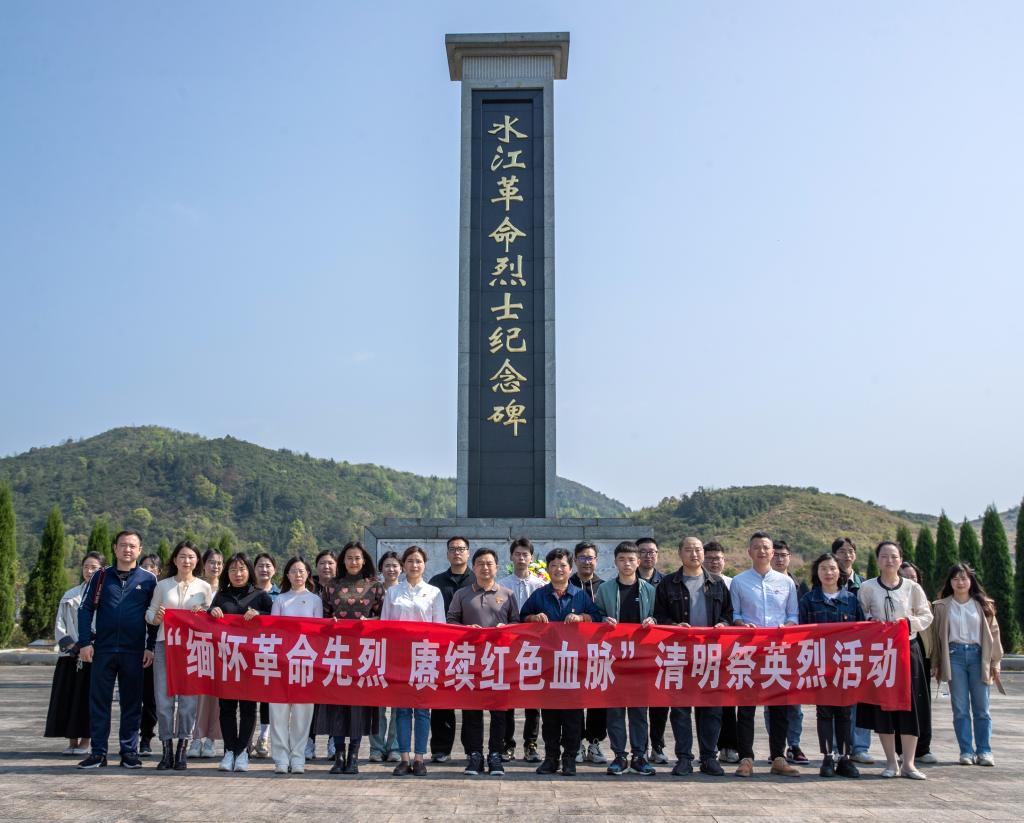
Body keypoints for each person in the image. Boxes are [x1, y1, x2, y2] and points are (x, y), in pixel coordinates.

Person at [75, 530, 158, 769]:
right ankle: (98, 753)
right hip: (103, 649)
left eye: (132, 546)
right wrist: (85, 643)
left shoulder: (148, 580)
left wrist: (150, 647)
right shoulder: (101, 576)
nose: (127, 549)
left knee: (132, 703)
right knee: (99, 702)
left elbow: (154, 617)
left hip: (134, 651)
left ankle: (129, 752)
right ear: (115, 548)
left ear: (139, 550)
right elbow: (85, 609)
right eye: (123, 545)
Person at [653, 536, 732, 777]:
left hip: (710, 655)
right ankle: (684, 758)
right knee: (680, 709)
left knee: (712, 709)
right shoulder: (668, 584)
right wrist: (674, 626)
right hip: (680, 655)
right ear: (680, 553)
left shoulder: (717, 583)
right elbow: (659, 616)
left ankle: (708, 758)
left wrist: (723, 624)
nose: (694, 554)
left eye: (698, 549)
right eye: (688, 549)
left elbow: (728, 613)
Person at [855, 541, 933, 779]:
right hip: (880, 652)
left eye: (894, 556)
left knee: (911, 706)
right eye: (884, 556)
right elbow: (861, 613)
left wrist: (908, 623)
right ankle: (891, 762)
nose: (889, 561)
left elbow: (926, 615)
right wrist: (871, 621)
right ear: (877, 560)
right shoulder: (867, 587)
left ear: (900, 560)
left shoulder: (912, 587)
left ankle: (909, 763)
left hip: (908, 650)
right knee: (884, 707)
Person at [520, 547, 601, 776]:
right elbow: (521, 618)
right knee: (550, 717)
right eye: (554, 565)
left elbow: (597, 619)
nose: (558, 569)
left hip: (573, 666)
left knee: (573, 717)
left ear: (570, 568)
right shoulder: (539, 595)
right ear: (548, 569)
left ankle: (570, 759)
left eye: (563, 565)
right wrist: (534, 618)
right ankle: (551, 758)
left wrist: (582, 617)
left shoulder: (580, 595)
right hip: (548, 666)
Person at [730, 532, 801, 778]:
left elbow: (793, 615)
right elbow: (734, 614)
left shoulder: (786, 582)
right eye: (756, 547)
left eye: (766, 547)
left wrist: (787, 626)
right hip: (748, 652)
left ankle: (778, 757)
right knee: (746, 708)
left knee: (780, 707)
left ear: (773, 552)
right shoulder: (738, 582)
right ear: (749, 551)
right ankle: (746, 758)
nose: (762, 551)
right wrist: (740, 623)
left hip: (777, 651)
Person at [447, 547, 519, 776]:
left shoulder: (507, 594)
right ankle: (474, 755)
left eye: (489, 563)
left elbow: (517, 624)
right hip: (470, 661)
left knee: (499, 713)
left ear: (497, 567)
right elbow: (450, 622)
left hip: (499, 663)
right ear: (473, 567)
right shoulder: (462, 594)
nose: (485, 567)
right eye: (480, 563)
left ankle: (496, 754)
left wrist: (506, 628)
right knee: (472, 712)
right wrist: (467, 629)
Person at [317, 540, 384, 775]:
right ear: (342, 561)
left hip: (363, 653)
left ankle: (354, 756)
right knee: (336, 704)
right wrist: (331, 622)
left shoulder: (375, 586)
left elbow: (384, 618)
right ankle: (339, 755)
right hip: (337, 653)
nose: (353, 562)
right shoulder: (331, 586)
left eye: (357, 558)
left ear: (364, 560)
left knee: (358, 705)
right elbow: (322, 617)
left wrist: (370, 622)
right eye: (349, 558)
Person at [146, 540, 213, 771]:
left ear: (197, 561)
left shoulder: (204, 588)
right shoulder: (162, 586)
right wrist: (156, 618)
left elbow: (212, 619)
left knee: (188, 703)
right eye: (182, 556)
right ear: (175, 560)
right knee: (163, 701)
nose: (187, 561)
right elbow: (150, 613)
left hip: (192, 648)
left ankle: (182, 749)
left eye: (191, 557)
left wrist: (203, 613)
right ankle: (166, 750)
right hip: (165, 646)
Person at [798, 552, 864, 778]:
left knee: (845, 712)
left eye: (833, 568)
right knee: (824, 712)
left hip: (846, 664)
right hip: (820, 664)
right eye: (824, 568)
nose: (828, 572)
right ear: (817, 572)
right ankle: (827, 757)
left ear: (840, 572)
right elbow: (801, 633)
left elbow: (862, 632)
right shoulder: (808, 600)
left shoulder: (851, 600)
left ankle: (845, 758)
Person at [931, 563, 1003, 767]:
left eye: (964, 578)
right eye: (955, 579)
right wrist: (936, 663)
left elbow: (994, 634)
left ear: (971, 581)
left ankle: (985, 751)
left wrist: (996, 662)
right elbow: (936, 638)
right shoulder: (941, 606)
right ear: (950, 582)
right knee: (960, 708)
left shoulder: (983, 604)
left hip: (979, 657)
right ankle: (966, 751)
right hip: (954, 657)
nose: (960, 582)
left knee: (982, 708)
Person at [382, 545, 446, 776]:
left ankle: (419, 758)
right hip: (399, 658)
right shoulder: (393, 592)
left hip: (425, 657)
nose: (414, 565)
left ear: (424, 565)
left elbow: (440, 627)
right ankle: (404, 758)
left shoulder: (433, 592)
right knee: (401, 710)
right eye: (410, 561)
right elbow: (385, 626)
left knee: (422, 710)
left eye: (418, 561)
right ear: (403, 565)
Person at [595, 541, 657, 776]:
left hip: (640, 659)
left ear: (638, 562)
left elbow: (657, 617)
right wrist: (603, 621)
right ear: (615, 562)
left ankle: (639, 755)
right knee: (615, 710)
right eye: (622, 559)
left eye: (631, 560)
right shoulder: (605, 589)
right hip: (614, 660)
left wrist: (653, 621)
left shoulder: (649, 590)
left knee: (639, 711)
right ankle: (619, 756)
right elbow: (596, 615)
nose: (627, 563)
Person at [208, 552, 274, 772]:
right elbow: (209, 619)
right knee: (226, 707)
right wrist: (211, 611)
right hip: (226, 659)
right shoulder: (222, 595)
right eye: (233, 570)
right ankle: (229, 750)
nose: (238, 574)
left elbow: (275, 622)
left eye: (242, 569)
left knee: (248, 707)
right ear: (227, 573)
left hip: (251, 661)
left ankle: (243, 751)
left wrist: (260, 615)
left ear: (249, 571)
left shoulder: (260, 596)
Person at [45, 552, 104, 754]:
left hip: (93, 655)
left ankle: (86, 741)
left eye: (94, 567)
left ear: (102, 571)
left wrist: (89, 644)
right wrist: (72, 646)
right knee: (68, 698)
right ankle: (72, 741)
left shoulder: (105, 596)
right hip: (69, 656)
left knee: (88, 699)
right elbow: (60, 624)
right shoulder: (70, 595)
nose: (89, 571)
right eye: (86, 567)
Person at [269, 557, 323, 774]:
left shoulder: (315, 600)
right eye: (293, 571)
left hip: (305, 663)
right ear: (287, 575)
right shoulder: (280, 600)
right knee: (278, 714)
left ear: (308, 574)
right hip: (282, 662)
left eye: (301, 571)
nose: (298, 575)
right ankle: (281, 758)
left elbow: (318, 632)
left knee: (302, 714)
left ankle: (298, 757)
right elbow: (274, 631)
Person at [496, 536, 546, 763]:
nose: (521, 558)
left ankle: (531, 744)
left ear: (531, 557)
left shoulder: (540, 585)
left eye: (525, 554)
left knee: (533, 699)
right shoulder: (502, 585)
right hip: (508, 648)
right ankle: (507, 744)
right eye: (517, 554)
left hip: (534, 648)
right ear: (511, 557)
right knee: (507, 699)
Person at [427, 535, 473, 763]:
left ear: (468, 553)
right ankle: (441, 748)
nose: (457, 552)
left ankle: (471, 748)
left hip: (471, 649)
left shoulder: (476, 580)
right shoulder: (435, 582)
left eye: (461, 549)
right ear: (447, 554)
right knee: (442, 700)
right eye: (453, 549)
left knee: (470, 701)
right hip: (442, 648)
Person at [831, 536, 871, 763]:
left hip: (858, 650)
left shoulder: (864, 585)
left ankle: (860, 747)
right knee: (834, 699)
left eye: (851, 551)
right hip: (833, 651)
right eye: (842, 551)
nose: (847, 555)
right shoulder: (828, 583)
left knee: (860, 699)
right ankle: (836, 746)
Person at [768, 539, 808, 765]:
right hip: (767, 650)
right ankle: (776, 748)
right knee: (770, 703)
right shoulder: (759, 582)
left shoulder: (798, 586)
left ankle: (794, 744)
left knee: (793, 703)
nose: (779, 559)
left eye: (783, 555)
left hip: (793, 650)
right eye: (776, 555)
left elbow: (800, 617)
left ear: (789, 558)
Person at [568, 540, 607, 765]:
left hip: (598, 652)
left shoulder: (605, 587)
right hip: (571, 652)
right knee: (573, 699)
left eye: (590, 558)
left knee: (597, 699)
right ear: (575, 560)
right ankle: (575, 744)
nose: (586, 562)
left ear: (596, 561)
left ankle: (594, 742)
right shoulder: (566, 585)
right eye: (582, 558)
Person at [898, 561, 936, 764]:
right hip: (900, 656)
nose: (911, 581)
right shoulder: (894, 602)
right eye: (906, 577)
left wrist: (935, 661)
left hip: (923, 658)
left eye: (913, 577)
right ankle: (901, 749)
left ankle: (923, 748)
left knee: (923, 704)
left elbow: (935, 637)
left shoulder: (926, 605)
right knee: (902, 704)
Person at [702, 541, 738, 764]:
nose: (714, 562)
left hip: (727, 652)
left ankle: (729, 745)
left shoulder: (733, 584)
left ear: (724, 560)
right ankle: (708, 749)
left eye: (718, 558)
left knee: (727, 701)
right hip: (700, 653)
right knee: (704, 703)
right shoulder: (698, 582)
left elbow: (733, 614)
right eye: (709, 558)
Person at [635, 536, 668, 764]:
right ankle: (638, 748)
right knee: (636, 703)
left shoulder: (666, 583)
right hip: (632, 652)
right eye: (643, 552)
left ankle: (657, 745)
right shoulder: (626, 580)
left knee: (659, 701)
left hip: (659, 651)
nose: (648, 556)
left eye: (652, 552)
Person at [189, 548, 224, 759]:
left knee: (217, 698)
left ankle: (211, 739)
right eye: (211, 562)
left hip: (221, 650)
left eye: (219, 563)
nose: (215, 566)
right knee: (197, 696)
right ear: (204, 564)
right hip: (198, 647)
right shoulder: (196, 587)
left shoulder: (226, 589)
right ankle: (196, 737)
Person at [369, 550, 402, 763]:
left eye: (395, 565)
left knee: (399, 704)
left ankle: (395, 747)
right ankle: (376, 747)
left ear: (401, 568)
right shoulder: (372, 591)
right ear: (381, 568)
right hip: (375, 652)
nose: (391, 569)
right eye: (387, 565)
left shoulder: (405, 592)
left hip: (400, 654)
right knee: (377, 704)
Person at [306, 549, 338, 760]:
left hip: (335, 650)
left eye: (330, 563)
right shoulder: (308, 587)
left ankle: (334, 741)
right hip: (309, 649)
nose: (326, 567)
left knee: (333, 697)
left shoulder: (342, 588)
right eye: (322, 563)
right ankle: (309, 742)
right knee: (311, 698)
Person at [251, 552, 280, 759]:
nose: (264, 569)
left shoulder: (281, 594)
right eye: (260, 566)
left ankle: (264, 737)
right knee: (249, 696)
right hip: (248, 651)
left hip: (273, 651)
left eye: (268, 565)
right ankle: (247, 738)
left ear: (275, 570)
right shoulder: (247, 593)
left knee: (268, 697)